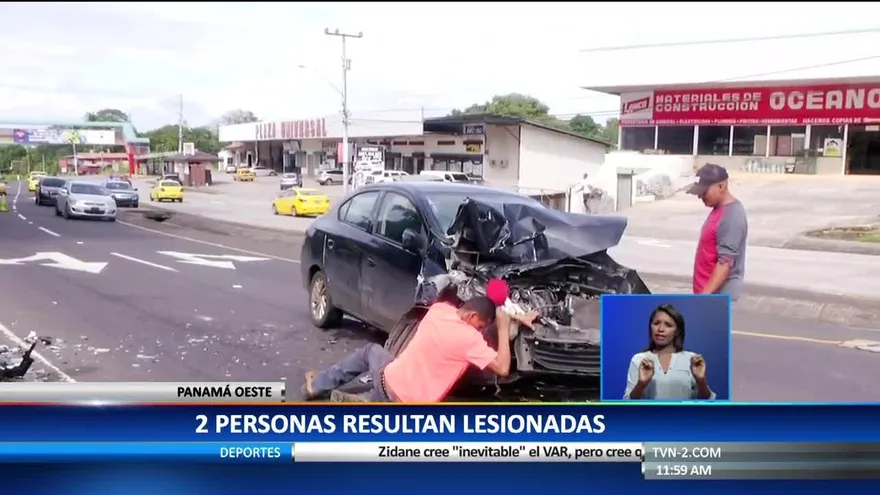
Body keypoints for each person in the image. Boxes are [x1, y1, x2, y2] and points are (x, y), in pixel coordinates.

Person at [301, 291, 539, 403]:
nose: (481, 329)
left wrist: (511, 316)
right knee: (393, 390)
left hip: (386, 379)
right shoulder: (469, 340)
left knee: (370, 352)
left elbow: (475, 309)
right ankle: (368, 401)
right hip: (409, 401)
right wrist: (502, 326)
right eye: (482, 325)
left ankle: (319, 385)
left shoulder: (439, 310)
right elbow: (503, 368)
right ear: (473, 317)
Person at [623, 304, 715, 401]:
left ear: (677, 331)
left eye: (668, 325)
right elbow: (628, 403)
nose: (660, 329)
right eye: (656, 323)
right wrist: (642, 383)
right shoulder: (639, 360)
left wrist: (701, 381)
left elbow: (706, 402)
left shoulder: (692, 360)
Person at [686, 163, 748, 301]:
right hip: (709, 297)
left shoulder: (732, 216)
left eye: (704, 192)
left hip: (717, 299)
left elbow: (725, 262)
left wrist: (704, 297)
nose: (700, 196)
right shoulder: (718, 210)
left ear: (721, 187)